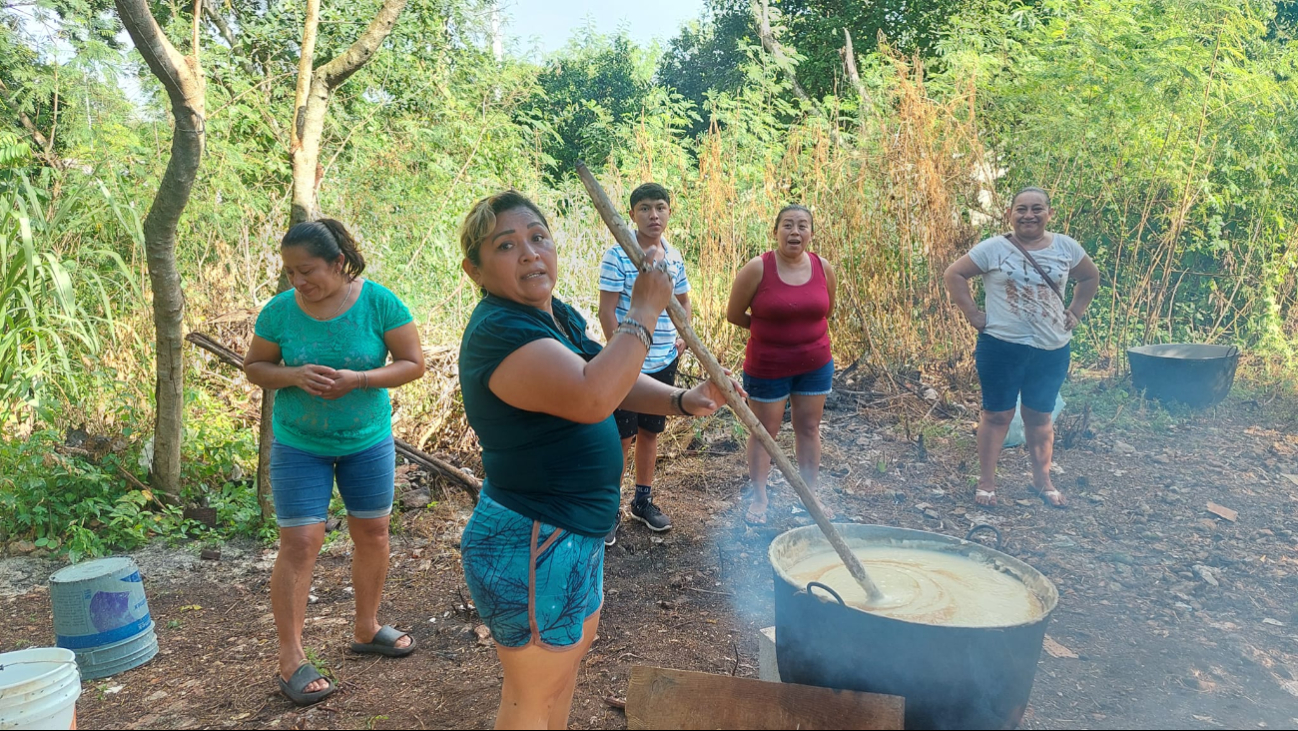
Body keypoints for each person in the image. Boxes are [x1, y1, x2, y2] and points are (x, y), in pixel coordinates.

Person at [456, 191, 738, 730]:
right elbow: (593, 395)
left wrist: (683, 400)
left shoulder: (552, 316)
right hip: (533, 537)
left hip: (571, 533)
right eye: (507, 245)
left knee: (559, 678)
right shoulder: (500, 331)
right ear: (476, 269)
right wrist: (644, 309)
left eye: (538, 238)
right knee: (531, 698)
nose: (531, 254)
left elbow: (611, 374)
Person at [244, 219, 426, 706]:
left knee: (373, 532)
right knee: (301, 542)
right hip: (299, 443)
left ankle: (366, 629)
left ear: (339, 263)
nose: (297, 282)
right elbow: (255, 368)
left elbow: (412, 363)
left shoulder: (379, 303)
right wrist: (292, 373)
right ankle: (291, 659)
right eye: (290, 273)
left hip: (366, 440)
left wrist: (360, 379)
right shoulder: (280, 312)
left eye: (307, 271)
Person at [943, 187, 1100, 508]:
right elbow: (954, 273)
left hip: (1052, 347)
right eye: (1022, 209)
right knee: (997, 415)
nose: (1029, 215)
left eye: (1037, 209)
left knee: (1040, 417)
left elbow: (1090, 277)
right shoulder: (993, 249)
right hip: (1001, 347)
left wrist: (1076, 311)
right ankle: (986, 482)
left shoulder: (1066, 248)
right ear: (1010, 214)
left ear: (1049, 213)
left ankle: (1042, 481)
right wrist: (973, 313)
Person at [726, 204, 837, 526]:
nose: (795, 232)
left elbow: (827, 310)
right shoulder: (758, 268)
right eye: (788, 225)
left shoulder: (822, 267)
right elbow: (734, 314)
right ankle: (759, 497)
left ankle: (810, 495)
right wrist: (771, 333)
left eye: (803, 226)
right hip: (767, 366)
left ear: (811, 234)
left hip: (815, 364)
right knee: (764, 433)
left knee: (809, 428)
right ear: (775, 232)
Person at [597, 182, 692, 544]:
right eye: (645, 208)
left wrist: (682, 336)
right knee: (621, 437)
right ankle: (610, 510)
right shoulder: (618, 256)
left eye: (661, 207)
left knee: (651, 432)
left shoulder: (675, 256)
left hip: (664, 358)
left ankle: (643, 500)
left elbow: (683, 300)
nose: (654, 215)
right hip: (628, 361)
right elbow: (607, 310)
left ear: (669, 212)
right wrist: (619, 353)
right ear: (633, 213)